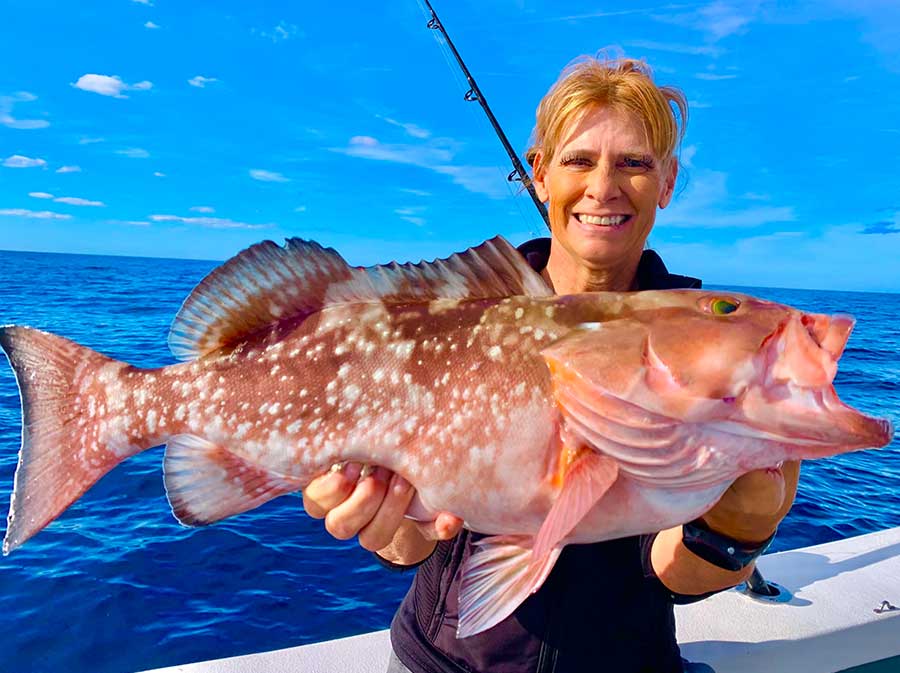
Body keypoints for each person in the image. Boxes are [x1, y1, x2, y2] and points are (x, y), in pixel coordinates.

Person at [302, 56, 800, 673]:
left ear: (667, 182)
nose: (603, 188)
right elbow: (412, 543)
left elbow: (676, 574)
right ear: (539, 173)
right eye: (579, 160)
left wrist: (741, 528)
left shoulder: (696, 348)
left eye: (635, 163)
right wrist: (385, 518)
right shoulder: (457, 313)